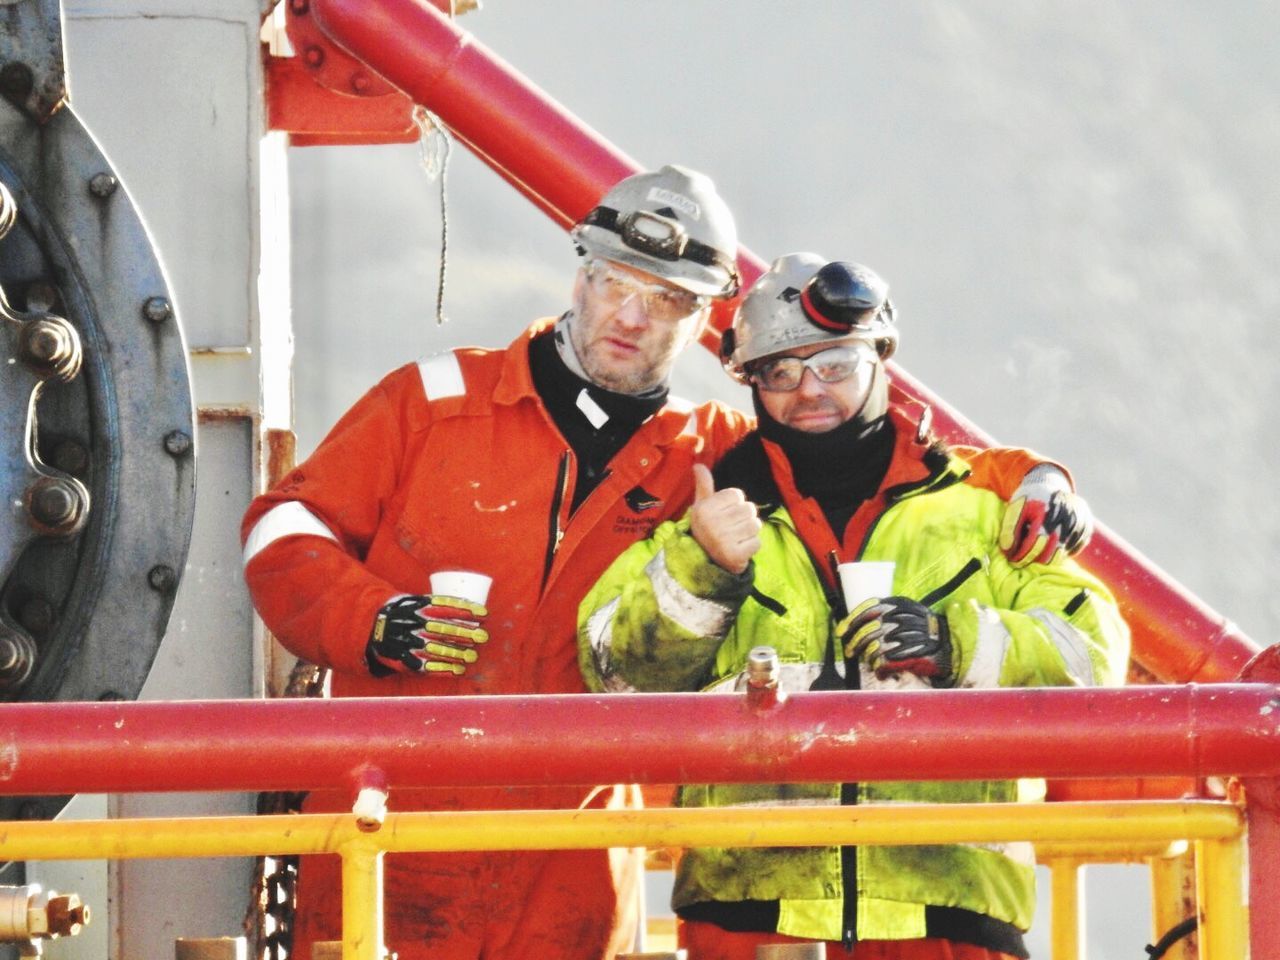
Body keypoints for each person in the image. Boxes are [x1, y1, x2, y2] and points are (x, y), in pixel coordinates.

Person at [243, 156, 1087, 959]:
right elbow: (285, 530)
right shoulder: (432, 405)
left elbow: (877, 454)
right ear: (580, 275)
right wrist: (375, 620)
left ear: (702, 324)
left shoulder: (714, 455)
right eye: (615, 282)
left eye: (670, 301)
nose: (632, 316)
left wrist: (1031, 475)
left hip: (574, 859)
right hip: (384, 842)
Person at [578, 253, 1130, 960]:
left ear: (880, 356)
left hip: (947, 914)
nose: (809, 390)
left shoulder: (982, 515)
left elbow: (1095, 660)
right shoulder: (712, 523)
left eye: (834, 363)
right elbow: (610, 674)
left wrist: (956, 643)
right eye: (780, 371)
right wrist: (703, 567)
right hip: (751, 917)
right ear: (750, 381)